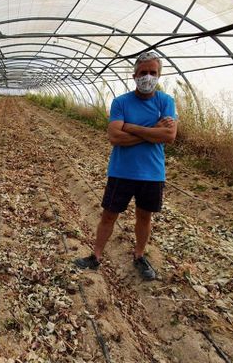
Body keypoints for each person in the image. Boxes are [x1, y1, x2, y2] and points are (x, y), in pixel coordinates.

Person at [74, 51, 177, 280]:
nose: (148, 77)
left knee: (144, 217)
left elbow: (169, 136)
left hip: (152, 173)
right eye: (143, 73)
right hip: (122, 171)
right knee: (109, 216)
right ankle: (96, 256)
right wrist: (153, 131)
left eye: (153, 72)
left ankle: (139, 256)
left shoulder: (165, 101)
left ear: (159, 75)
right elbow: (115, 137)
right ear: (134, 76)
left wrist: (130, 127)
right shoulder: (121, 102)